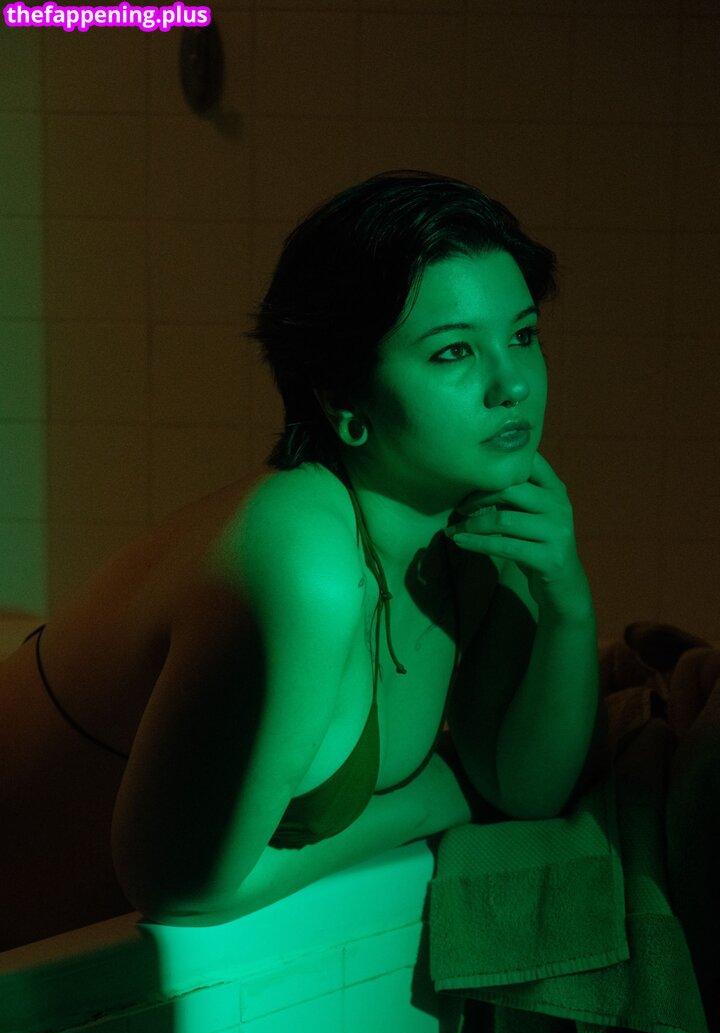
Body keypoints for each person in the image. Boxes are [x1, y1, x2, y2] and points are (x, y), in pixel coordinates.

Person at [0, 169, 605, 951]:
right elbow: (181, 886)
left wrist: (567, 602)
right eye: (453, 352)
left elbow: (524, 788)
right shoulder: (301, 556)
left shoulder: (478, 526)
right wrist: (428, 799)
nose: (512, 384)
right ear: (342, 401)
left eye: (522, 335)